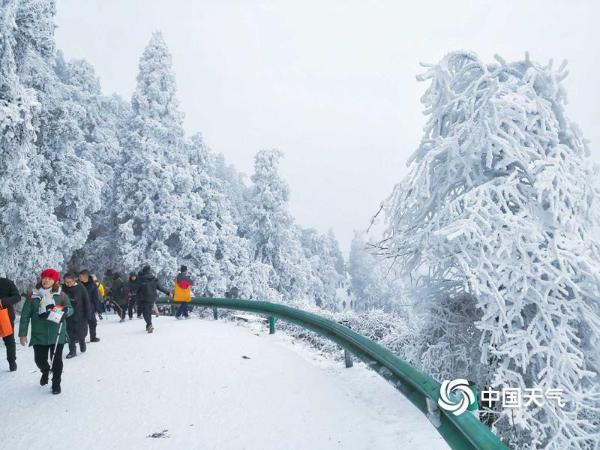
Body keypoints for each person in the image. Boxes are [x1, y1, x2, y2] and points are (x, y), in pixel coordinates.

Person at [18, 268, 73, 394]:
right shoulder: (33, 296)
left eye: (50, 278)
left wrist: (66, 311)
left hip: (57, 333)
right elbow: (25, 315)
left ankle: (56, 383)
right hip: (39, 334)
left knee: (57, 360)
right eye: (44, 277)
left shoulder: (61, 295)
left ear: (55, 281)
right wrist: (22, 334)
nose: (46, 280)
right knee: (39, 360)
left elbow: (70, 309)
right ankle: (45, 371)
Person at [62, 273, 91, 358]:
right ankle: (72, 351)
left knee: (81, 332)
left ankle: (82, 342)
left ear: (74, 280)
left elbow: (86, 301)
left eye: (70, 282)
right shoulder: (63, 288)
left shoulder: (81, 287)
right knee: (70, 334)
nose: (68, 284)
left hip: (80, 314)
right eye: (66, 282)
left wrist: (88, 314)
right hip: (69, 314)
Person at [136, 265, 170, 333]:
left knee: (146, 313)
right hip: (152, 298)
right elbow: (160, 288)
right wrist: (168, 292)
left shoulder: (141, 279)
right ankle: (148, 325)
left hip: (143, 298)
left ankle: (149, 325)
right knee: (148, 312)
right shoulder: (154, 279)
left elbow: (137, 289)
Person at [0, 276, 20, 372]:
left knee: (9, 340)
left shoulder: (7, 282)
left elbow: (17, 297)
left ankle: (12, 362)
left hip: (5, 316)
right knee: (9, 341)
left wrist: (2, 301)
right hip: (6, 315)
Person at [79, 270, 101, 342]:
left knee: (93, 322)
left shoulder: (93, 285)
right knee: (81, 323)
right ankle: (78, 338)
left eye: (81, 276)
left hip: (90, 306)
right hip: (80, 306)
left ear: (86, 276)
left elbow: (95, 297)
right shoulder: (78, 284)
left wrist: (97, 308)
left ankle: (93, 337)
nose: (79, 277)